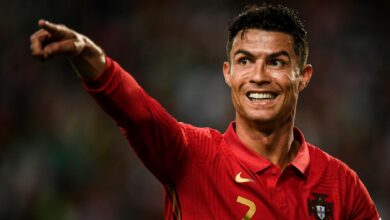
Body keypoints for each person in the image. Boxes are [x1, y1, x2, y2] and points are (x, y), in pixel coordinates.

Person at [30, 4, 380, 220]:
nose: (258, 76)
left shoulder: (341, 185)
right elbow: (137, 113)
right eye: (245, 61)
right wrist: (86, 54)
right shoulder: (191, 156)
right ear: (228, 73)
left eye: (276, 62)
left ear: (302, 77)